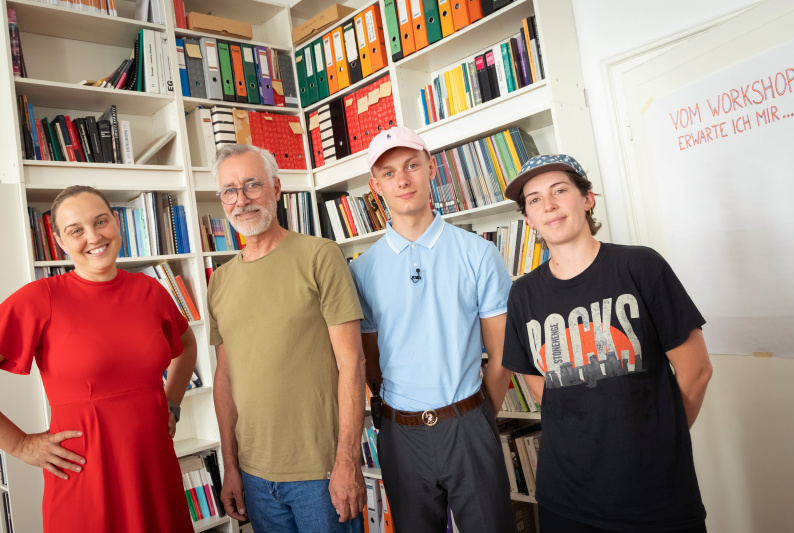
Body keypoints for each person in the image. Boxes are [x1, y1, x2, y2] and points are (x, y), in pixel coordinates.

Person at [501, 154, 714, 533]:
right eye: (534, 200)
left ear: (587, 198)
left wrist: (659, 443)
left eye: (560, 190)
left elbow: (696, 372)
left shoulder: (641, 267)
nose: (548, 205)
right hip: (564, 498)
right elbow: (536, 378)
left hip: (655, 497)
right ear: (528, 219)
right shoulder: (523, 294)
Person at [0, 186, 197, 533]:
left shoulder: (150, 291)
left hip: (154, 469)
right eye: (76, 230)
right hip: (84, 477)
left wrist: (173, 402)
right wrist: (19, 445)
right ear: (60, 241)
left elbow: (185, 342)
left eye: (101, 221)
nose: (93, 236)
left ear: (116, 223)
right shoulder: (40, 298)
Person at [349, 127, 515, 533]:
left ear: (432, 169)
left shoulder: (478, 252)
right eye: (389, 173)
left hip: (468, 422)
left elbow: (502, 354)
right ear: (376, 187)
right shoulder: (362, 269)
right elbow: (372, 365)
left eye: (412, 166)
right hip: (400, 435)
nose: (402, 180)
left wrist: (475, 419)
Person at [207, 144, 366, 533]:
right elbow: (224, 380)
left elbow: (352, 363)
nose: (241, 200)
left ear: (277, 188)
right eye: (229, 190)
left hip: (320, 471)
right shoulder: (220, 281)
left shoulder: (320, 256)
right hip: (254, 476)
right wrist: (231, 467)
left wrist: (347, 459)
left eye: (251, 185)